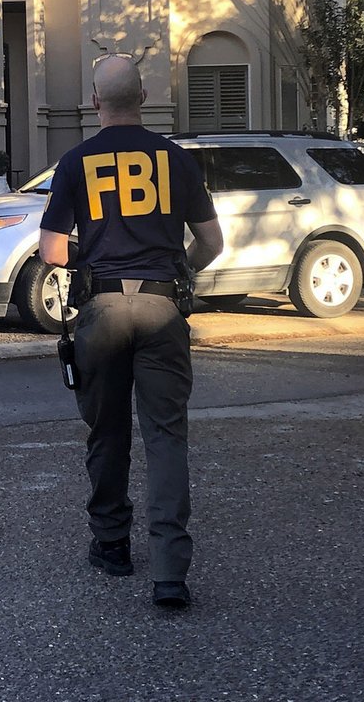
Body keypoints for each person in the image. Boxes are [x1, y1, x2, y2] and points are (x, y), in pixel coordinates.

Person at [37, 54, 224, 610]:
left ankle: (112, 544)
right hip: (164, 307)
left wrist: (90, 259)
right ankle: (170, 572)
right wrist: (180, 269)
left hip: (102, 307)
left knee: (107, 431)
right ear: (143, 98)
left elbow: (50, 250)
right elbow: (213, 242)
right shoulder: (177, 160)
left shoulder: (75, 161)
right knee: (166, 436)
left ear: (95, 101)